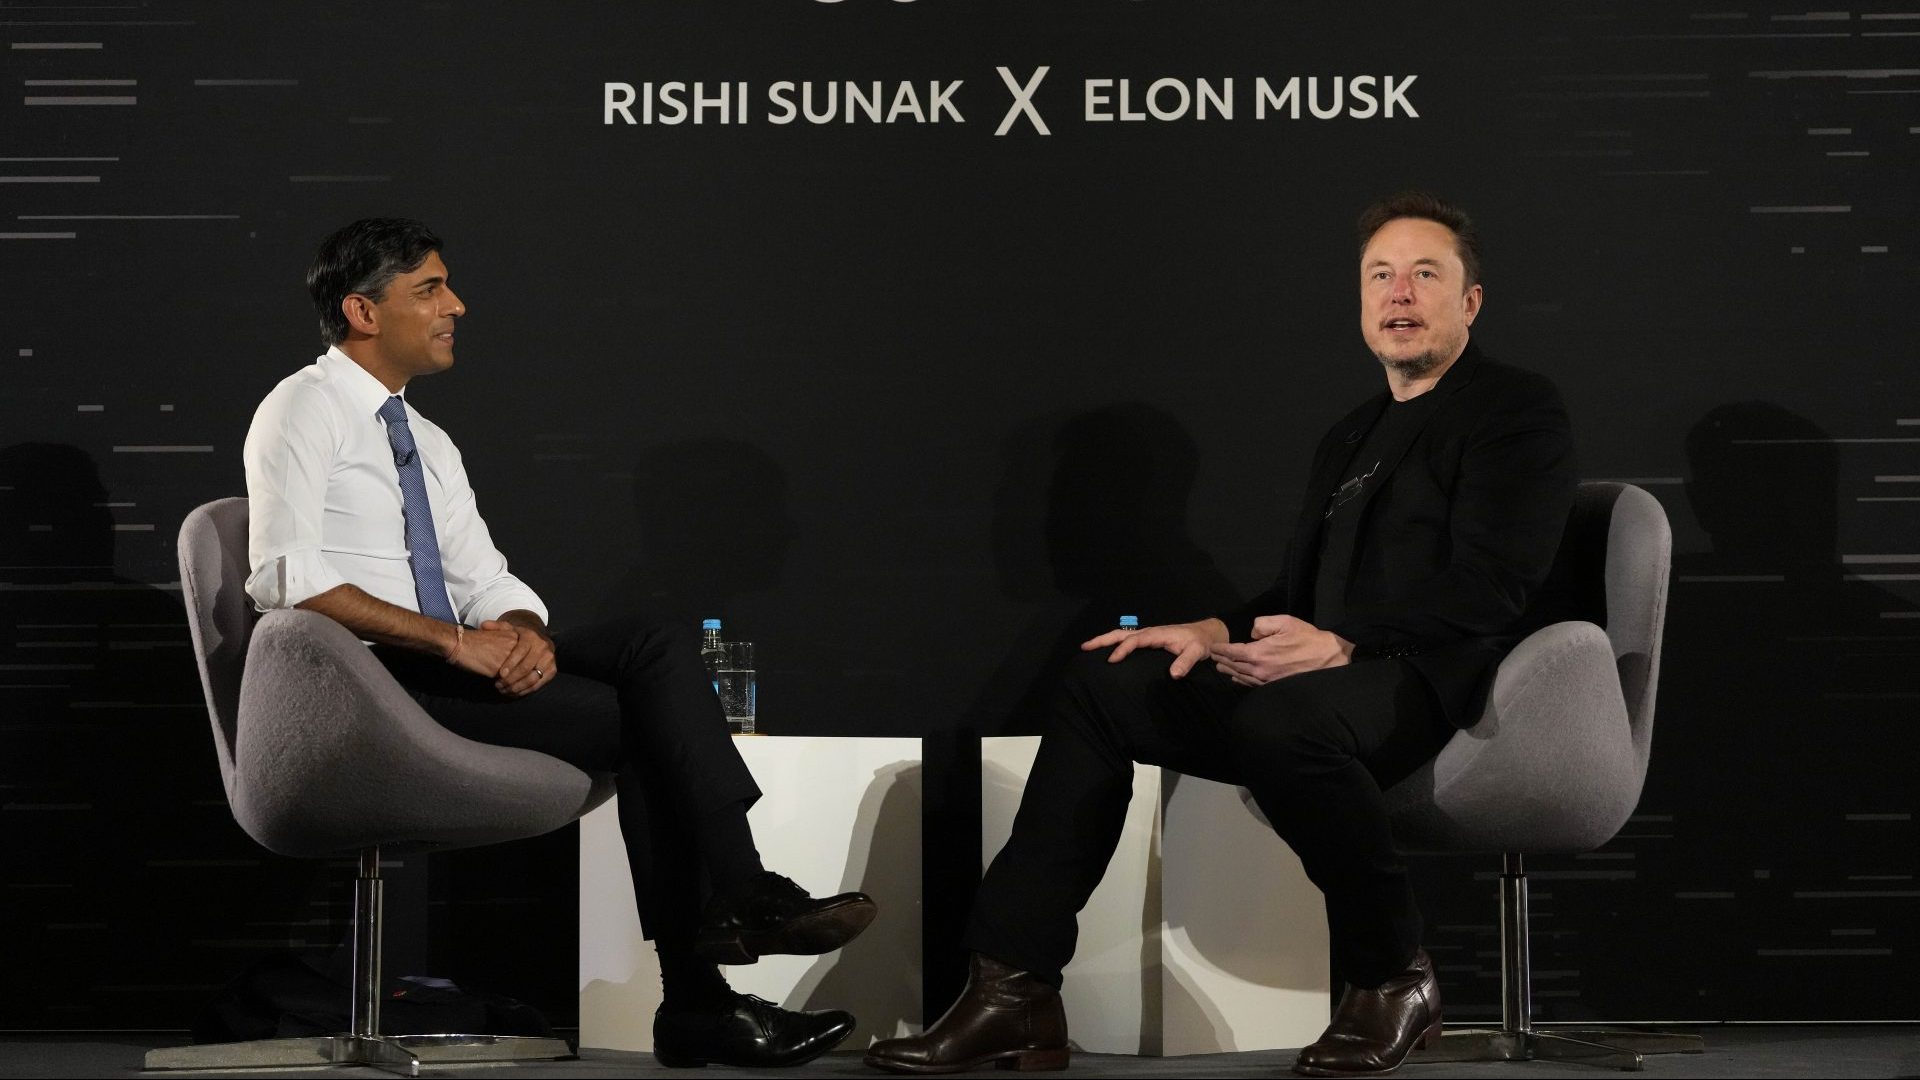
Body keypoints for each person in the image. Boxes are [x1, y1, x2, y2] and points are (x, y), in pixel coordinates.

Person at [865, 192, 1576, 1076]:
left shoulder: (1513, 409)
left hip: (1437, 679)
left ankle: (1393, 975)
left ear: (1468, 302)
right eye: (1380, 276)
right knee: (1106, 683)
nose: (1400, 293)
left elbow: (1495, 582)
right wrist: (1211, 627)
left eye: (1425, 274)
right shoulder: (1352, 433)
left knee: (1284, 721)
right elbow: (1293, 592)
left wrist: (1343, 641)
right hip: (1329, 677)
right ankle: (1013, 989)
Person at [244, 218, 877, 1069]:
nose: (455, 305)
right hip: (363, 686)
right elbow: (284, 578)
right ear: (363, 310)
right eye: (429, 289)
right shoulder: (302, 407)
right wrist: (453, 643)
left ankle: (738, 911)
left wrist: (522, 634)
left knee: (651, 647)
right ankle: (713, 965)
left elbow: (489, 579)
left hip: (443, 662)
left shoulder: (427, 441)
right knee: (654, 726)